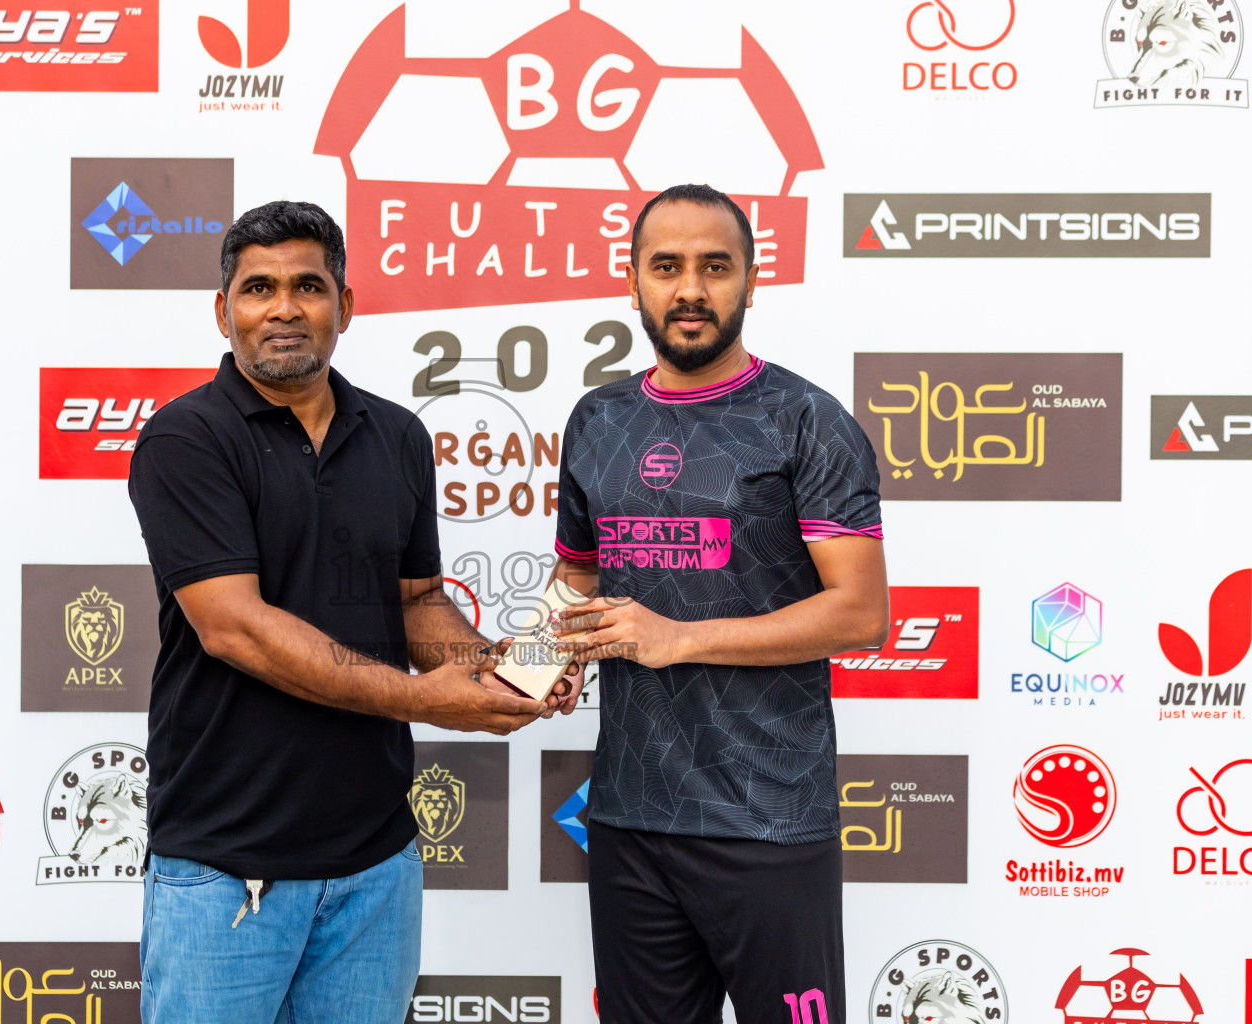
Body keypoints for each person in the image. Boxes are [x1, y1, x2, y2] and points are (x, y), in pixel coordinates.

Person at [127, 200, 557, 1024]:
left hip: (374, 867)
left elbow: (418, 604)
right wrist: (424, 701)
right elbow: (235, 627)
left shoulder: (394, 435)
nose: (284, 308)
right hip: (226, 866)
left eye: (308, 286)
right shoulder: (187, 439)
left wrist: (497, 672)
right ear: (224, 312)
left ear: (345, 306)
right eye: (258, 289)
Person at [548, 184, 890, 1024]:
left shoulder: (805, 419)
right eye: (666, 267)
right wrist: (536, 667)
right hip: (629, 817)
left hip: (768, 818)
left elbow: (860, 614)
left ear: (751, 279)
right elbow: (578, 585)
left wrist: (679, 637)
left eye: (714, 267)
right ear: (633, 283)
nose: (690, 289)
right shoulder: (597, 419)